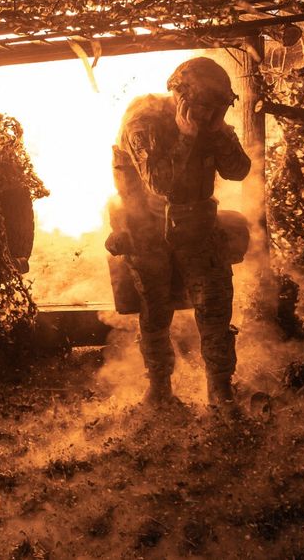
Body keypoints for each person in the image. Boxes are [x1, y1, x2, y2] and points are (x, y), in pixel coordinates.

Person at [110, 56, 251, 408]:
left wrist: (218, 133)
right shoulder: (143, 122)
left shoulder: (210, 121)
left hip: (199, 227)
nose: (207, 114)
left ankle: (220, 391)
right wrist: (187, 138)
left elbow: (238, 170)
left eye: (215, 108)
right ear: (180, 96)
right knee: (155, 314)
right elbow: (161, 184)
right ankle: (159, 391)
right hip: (148, 232)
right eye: (203, 106)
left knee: (215, 310)